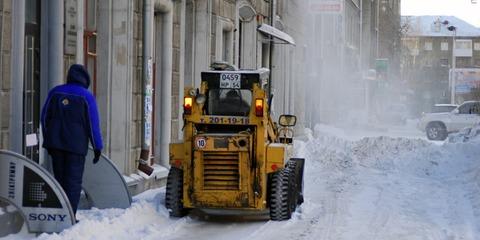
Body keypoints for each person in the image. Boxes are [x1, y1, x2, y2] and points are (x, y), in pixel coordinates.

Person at [40, 64, 103, 217]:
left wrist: (48, 140)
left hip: (56, 146)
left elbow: (44, 117)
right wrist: (97, 147)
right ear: (85, 80)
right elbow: (93, 124)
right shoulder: (86, 97)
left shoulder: (55, 92)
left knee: (59, 181)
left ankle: (59, 215)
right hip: (76, 148)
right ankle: (69, 217)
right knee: (73, 183)